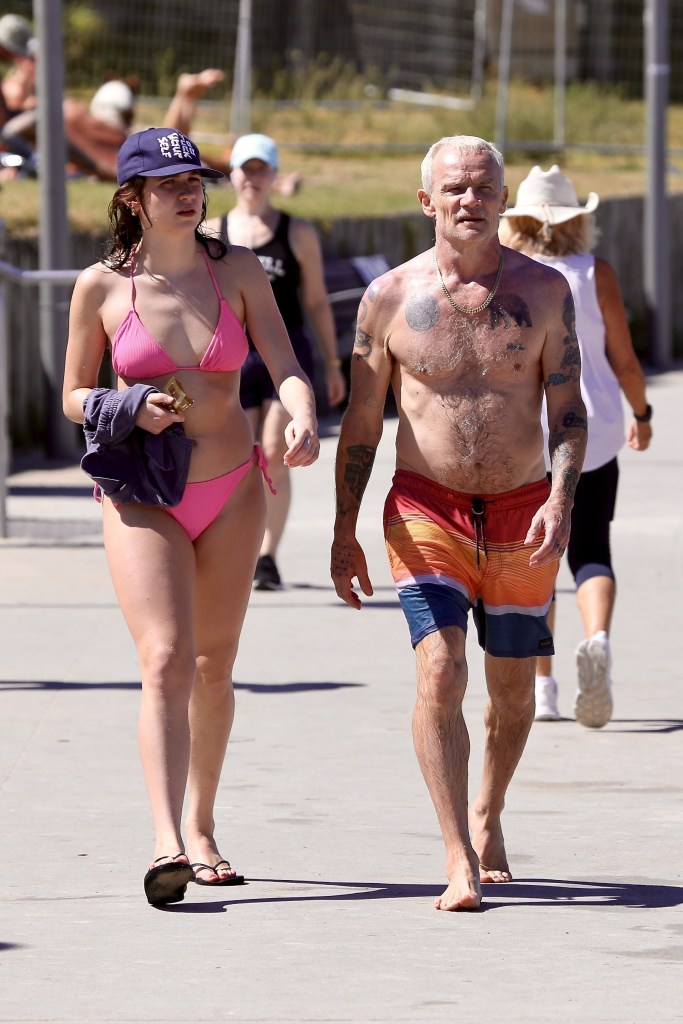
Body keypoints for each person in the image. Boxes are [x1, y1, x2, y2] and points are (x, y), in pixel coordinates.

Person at [62, 127, 319, 906]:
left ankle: (203, 825)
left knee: (213, 667)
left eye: (193, 181)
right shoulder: (100, 287)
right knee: (166, 659)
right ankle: (167, 841)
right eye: (168, 183)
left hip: (233, 484)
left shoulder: (236, 269)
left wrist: (301, 414)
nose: (187, 193)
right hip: (142, 491)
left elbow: (283, 363)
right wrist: (125, 405)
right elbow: (72, 394)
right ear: (132, 198)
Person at [331, 135, 587, 911]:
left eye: (482, 188)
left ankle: (488, 812)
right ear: (425, 201)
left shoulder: (545, 293)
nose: (468, 200)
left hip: (522, 513)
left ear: (503, 199)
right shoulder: (387, 300)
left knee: (511, 696)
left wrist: (561, 498)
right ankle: (455, 858)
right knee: (440, 672)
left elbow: (568, 412)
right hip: (424, 509)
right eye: (453, 189)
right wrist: (344, 529)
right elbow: (362, 425)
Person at [499, 165, 652, 728]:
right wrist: (642, 413)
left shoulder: (510, 273)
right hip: (599, 426)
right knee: (592, 547)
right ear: (575, 221)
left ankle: (543, 687)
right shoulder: (596, 273)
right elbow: (627, 359)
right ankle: (600, 640)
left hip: (529, 429)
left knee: (538, 554)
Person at [208, 133, 346, 589]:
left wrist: (331, 362)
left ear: (273, 176)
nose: (253, 179)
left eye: (261, 170)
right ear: (233, 175)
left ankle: (267, 555)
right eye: (246, 169)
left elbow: (317, 301)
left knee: (273, 450)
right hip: (232, 356)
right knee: (237, 455)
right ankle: (239, 546)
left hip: (284, 355)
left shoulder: (297, 233)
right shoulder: (213, 233)